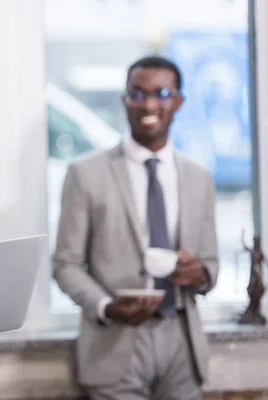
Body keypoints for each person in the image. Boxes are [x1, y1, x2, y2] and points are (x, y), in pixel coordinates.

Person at [53, 55, 219, 400]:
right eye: (137, 93)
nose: (148, 104)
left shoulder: (198, 178)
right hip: (114, 343)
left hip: (181, 341)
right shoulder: (86, 174)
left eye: (161, 94)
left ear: (178, 101)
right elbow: (65, 264)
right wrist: (105, 306)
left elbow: (211, 265)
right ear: (124, 100)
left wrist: (199, 273)